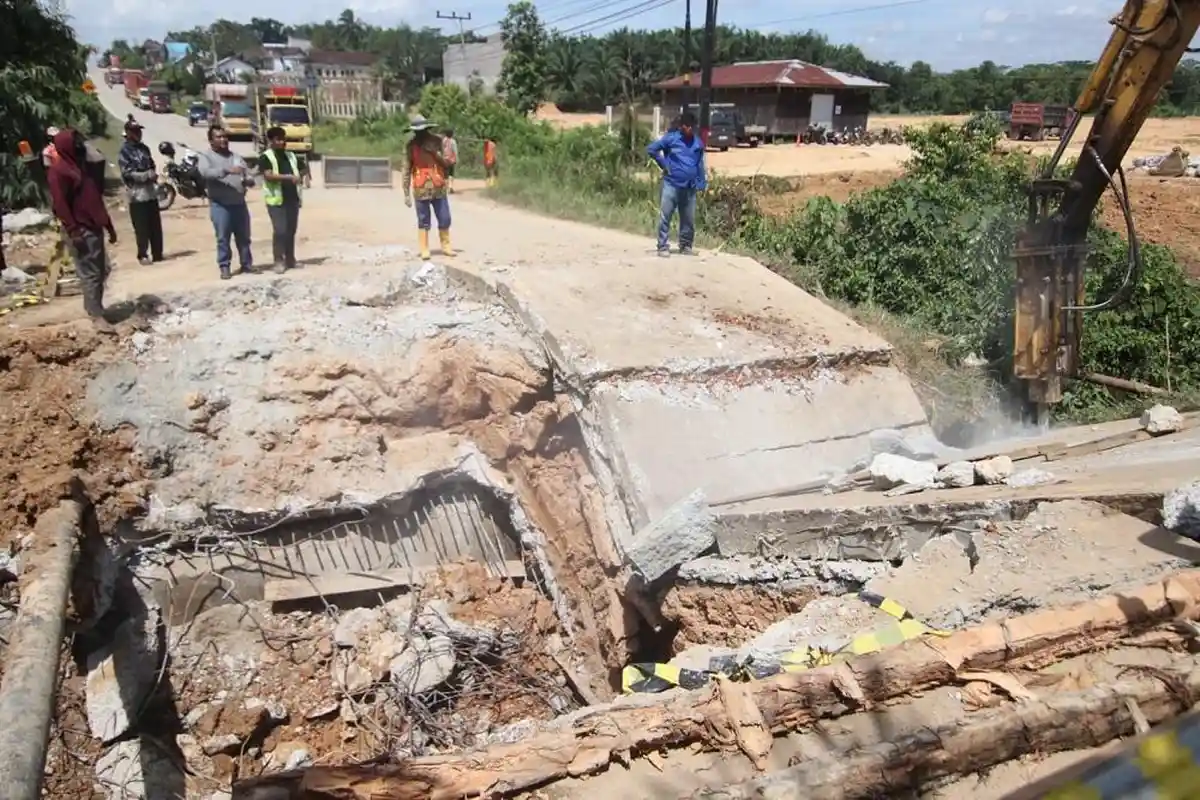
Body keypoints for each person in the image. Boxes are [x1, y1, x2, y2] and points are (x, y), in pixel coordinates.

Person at [45, 129, 118, 332]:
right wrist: (73, 230)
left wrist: (108, 226)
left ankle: (94, 307)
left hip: (93, 227)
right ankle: (96, 316)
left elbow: (95, 200)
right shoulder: (59, 172)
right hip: (81, 230)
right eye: (76, 143)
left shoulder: (80, 168)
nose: (80, 146)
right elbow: (60, 205)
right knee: (91, 273)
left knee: (102, 269)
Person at [646, 111, 707, 258]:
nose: (690, 130)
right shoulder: (671, 139)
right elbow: (652, 149)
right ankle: (662, 246)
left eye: (693, 127)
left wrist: (702, 182)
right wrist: (664, 165)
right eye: (688, 127)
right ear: (682, 127)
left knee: (688, 219)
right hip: (671, 184)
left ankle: (686, 245)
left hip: (689, 187)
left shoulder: (697, 142)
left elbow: (699, 164)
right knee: (665, 216)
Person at [197, 126, 254, 280]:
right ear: (211, 141)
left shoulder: (236, 156)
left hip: (239, 203)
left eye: (224, 136)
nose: (223, 140)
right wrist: (227, 170)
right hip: (220, 205)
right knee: (223, 237)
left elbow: (247, 174)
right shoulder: (207, 157)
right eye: (218, 137)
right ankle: (224, 266)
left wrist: (248, 180)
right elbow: (205, 173)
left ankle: (246, 264)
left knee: (244, 236)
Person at [257, 126, 309, 274]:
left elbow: (303, 168)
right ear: (271, 141)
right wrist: (288, 177)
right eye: (278, 139)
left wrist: (302, 175)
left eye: (283, 139)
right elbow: (268, 175)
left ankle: (290, 259)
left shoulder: (291, 155)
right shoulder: (266, 157)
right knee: (280, 230)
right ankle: (278, 260)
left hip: (292, 198)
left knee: (291, 230)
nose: (282, 142)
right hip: (276, 200)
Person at [401, 115, 453, 261]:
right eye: (417, 132)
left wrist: (434, 154)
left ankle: (446, 246)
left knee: (444, 217)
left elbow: (447, 162)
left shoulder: (437, 142)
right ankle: (424, 248)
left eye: (422, 131)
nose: (419, 134)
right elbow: (406, 168)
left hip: (438, 185)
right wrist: (406, 192)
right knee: (423, 219)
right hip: (420, 187)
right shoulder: (410, 146)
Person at [118, 118, 164, 265]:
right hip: (136, 193)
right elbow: (127, 173)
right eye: (135, 131)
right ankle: (142, 254)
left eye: (139, 131)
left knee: (155, 224)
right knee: (141, 226)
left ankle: (158, 253)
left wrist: (153, 174)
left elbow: (151, 164)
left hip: (150, 191)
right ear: (129, 133)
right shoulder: (124, 151)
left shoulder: (144, 149)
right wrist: (144, 176)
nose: (138, 134)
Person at [441, 128, 459, 194]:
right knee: (451, 173)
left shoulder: (443, 141)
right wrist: (457, 159)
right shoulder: (453, 141)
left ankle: (445, 188)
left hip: (444, 159)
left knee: (445, 174)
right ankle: (450, 187)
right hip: (451, 160)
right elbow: (455, 151)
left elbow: (441, 150)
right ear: (452, 134)